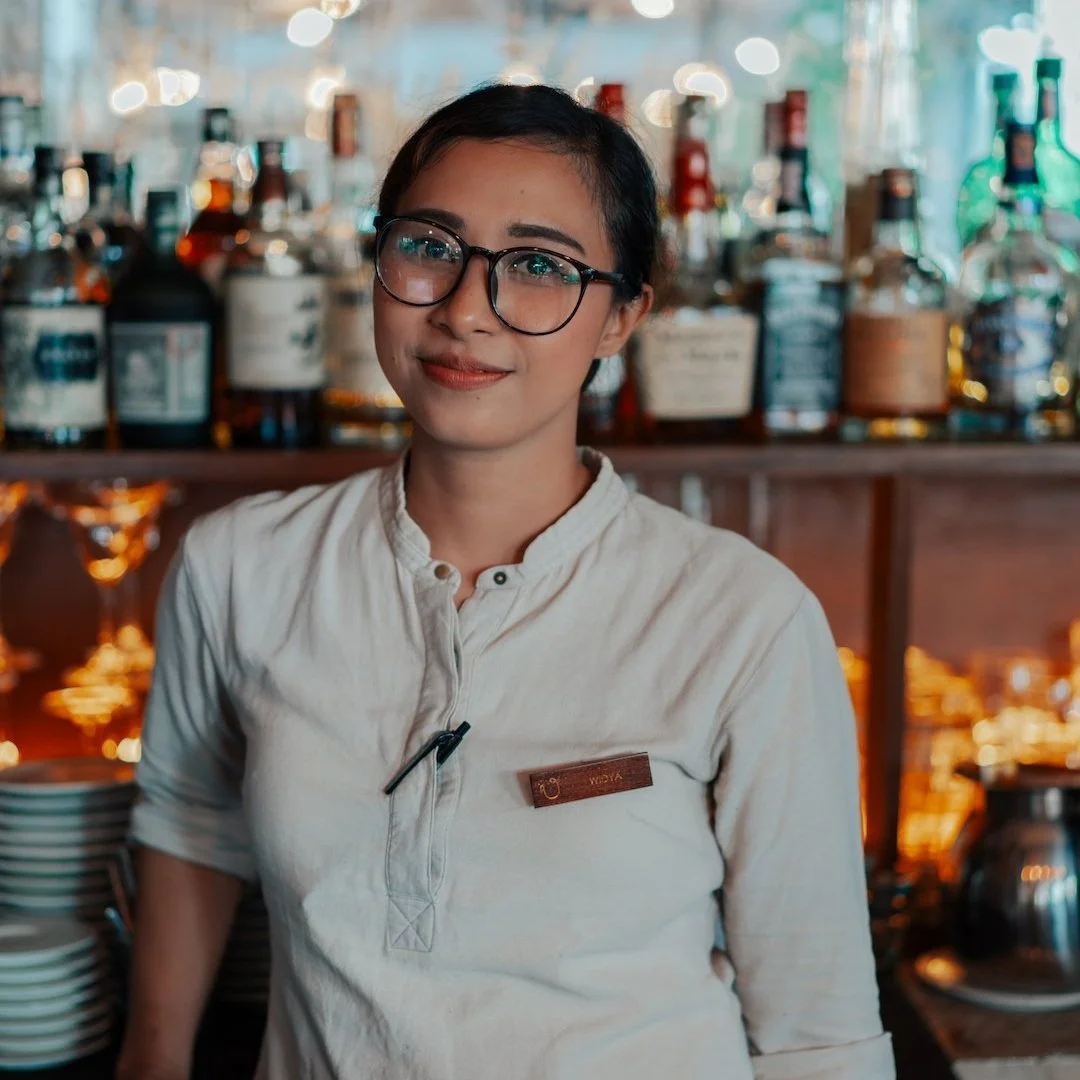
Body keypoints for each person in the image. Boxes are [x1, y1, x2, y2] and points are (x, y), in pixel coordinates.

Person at [118, 84, 894, 1080]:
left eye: (538, 266)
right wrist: (152, 1058)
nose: (465, 310)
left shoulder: (743, 618)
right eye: (430, 246)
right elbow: (191, 820)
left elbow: (818, 1027)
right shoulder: (240, 567)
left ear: (621, 316)